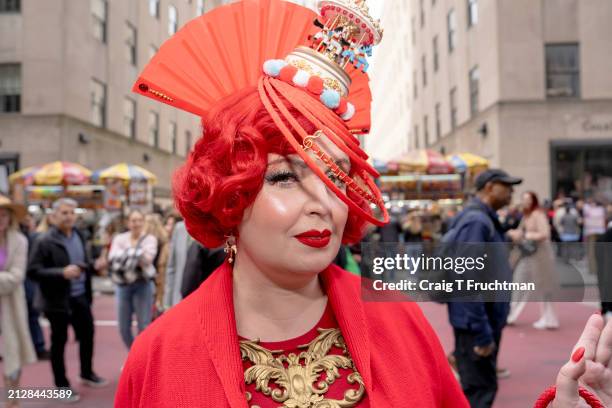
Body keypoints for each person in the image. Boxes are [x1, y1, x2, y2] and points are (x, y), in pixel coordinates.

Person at [115, 1, 612, 407]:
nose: (323, 202)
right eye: (285, 176)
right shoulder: (159, 355)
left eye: (336, 175)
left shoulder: (400, 320)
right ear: (228, 197)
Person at [446, 169, 522, 407]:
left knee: (479, 388)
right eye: (506, 186)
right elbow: (466, 278)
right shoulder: (477, 221)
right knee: (480, 391)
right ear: (489, 187)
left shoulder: (482, 219)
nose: (511, 192)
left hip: (479, 320)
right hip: (477, 322)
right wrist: (482, 334)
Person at [28, 198, 107, 402]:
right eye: (64, 213)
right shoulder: (44, 240)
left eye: (72, 212)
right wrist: (61, 273)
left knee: (88, 335)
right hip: (57, 301)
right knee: (59, 343)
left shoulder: (79, 235)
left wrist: (93, 265)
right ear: (53, 216)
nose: (69, 216)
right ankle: (61, 385)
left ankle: (87, 373)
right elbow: (33, 272)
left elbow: (81, 263)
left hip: (80, 296)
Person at [0, 196, 37, 408]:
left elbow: (16, 277)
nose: (0, 219)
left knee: (12, 352)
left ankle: (11, 400)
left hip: (10, 306)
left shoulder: (20, 241)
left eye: (4, 215)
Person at [507, 191, 560, 329]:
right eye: (524, 199)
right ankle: (510, 315)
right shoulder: (526, 216)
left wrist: (525, 234)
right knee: (519, 283)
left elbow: (545, 234)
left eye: (528, 199)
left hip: (540, 256)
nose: (525, 202)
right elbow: (521, 232)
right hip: (527, 255)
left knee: (543, 287)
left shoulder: (538, 215)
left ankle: (549, 319)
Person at [108, 209, 158, 350]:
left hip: (143, 285)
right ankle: (133, 355)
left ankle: (141, 359)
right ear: (128, 222)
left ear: (143, 222)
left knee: (144, 326)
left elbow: (147, 259)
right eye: (133, 220)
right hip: (123, 286)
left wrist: (125, 255)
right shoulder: (119, 238)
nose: (136, 223)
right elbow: (112, 259)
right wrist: (136, 254)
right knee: (123, 327)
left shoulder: (150, 239)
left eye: (139, 220)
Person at [19, 212, 49, 360]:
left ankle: (39, 346)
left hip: (27, 280)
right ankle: (38, 346)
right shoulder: (18, 237)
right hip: (19, 281)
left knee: (32, 314)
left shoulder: (30, 237)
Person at [163, 220, 192, 308]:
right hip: (178, 298)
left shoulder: (210, 227)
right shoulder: (179, 228)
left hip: (203, 298)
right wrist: (167, 303)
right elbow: (172, 268)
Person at [144, 213, 170, 314]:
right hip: (160, 277)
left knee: (147, 310)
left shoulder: (145, 240)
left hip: (148, 277)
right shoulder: (164, 241)